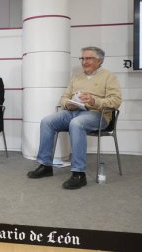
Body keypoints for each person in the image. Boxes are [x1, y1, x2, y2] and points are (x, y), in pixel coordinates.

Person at [27, 46, 122, 189]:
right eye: (82, 58)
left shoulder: (109, 77)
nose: (84, 62)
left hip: (98, 115)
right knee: (47, 121)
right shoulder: (76, 77)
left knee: (77, 124)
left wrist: (93, 101)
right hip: (74, 111)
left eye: (88, 58)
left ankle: (79, 174)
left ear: (99, 60)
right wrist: (68, 104)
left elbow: (116, 101)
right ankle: (45, 165)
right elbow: (64, 97)